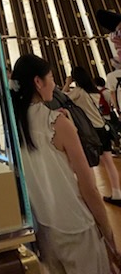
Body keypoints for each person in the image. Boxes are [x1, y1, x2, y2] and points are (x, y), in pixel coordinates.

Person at [10, 54, 121, 273]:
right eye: (51, 77)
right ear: (38, 82)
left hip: (43, 227)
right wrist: (109, 235)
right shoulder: (58, 123)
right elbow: (89, 187)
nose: (54, 84)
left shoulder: (14, 126)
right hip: (76, 225)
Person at [63, 67, 121, 206]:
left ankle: (92, 197)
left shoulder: (78, 92)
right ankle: (117, 194)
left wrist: (67, 83)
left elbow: (62, 97)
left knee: (88, 164)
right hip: (102, 129)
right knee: (109, 163)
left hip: (90, 132)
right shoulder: (95, 91)